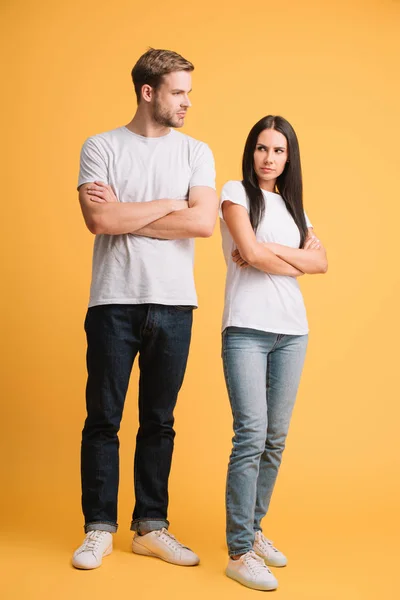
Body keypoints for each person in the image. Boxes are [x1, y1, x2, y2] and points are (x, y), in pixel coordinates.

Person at [72, 48, 218, 570]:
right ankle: (98, 529)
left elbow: (203, 224)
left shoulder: (196, 152)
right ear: (148, 92)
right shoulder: (101, 146)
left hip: (175, 304)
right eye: (179, 92)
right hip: (113, 300)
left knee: (159, 420)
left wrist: (126, 212)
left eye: (189, 93)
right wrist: (169, 203)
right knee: (103, 419)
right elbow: (99, 222)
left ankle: (151, 527)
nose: (187, 103)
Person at [219, 115, 328, 591]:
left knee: (275, 438)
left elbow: (321, 262)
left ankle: (256, 530)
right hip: (245, 328)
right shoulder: (235, 193)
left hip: (293, 332)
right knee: (251, 435)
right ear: (252, 151)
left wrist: (265, 249)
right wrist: (285, 256)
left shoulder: (295, 207)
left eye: (278, 151)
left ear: (289, 157)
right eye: (262, 148)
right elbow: (253, 254)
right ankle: (239, 550)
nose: (269, 158)